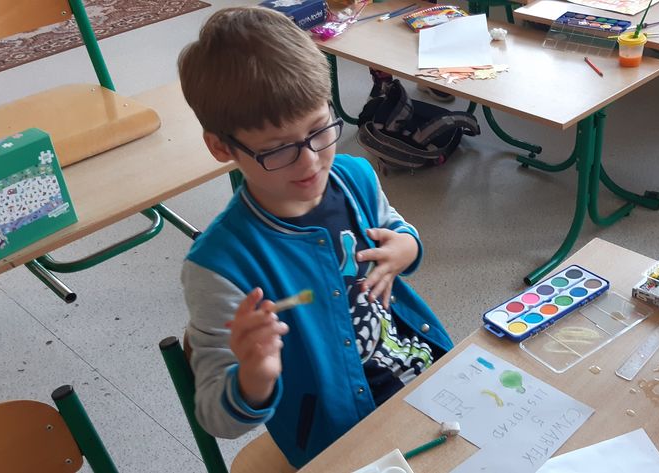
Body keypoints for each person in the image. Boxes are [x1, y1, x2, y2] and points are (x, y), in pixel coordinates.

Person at [176, 7, 453, 468]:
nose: (310, 163)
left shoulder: (354, 176)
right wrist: (254, 377)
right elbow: (215, 416)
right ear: (222, 147)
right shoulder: (219, 266)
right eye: (278, 150)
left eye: (320, 130)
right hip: (339, 432)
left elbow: (396, 229)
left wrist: (407, 247)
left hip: (421, 369)